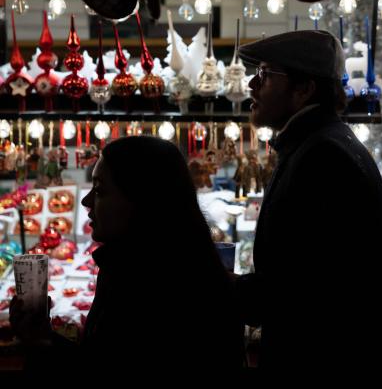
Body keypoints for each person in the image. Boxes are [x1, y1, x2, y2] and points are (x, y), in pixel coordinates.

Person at [234, 30, 382, 376]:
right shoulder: (320, 143)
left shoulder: (323, 156)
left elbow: (301, 290)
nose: (252, 85)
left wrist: (215, 290)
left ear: (304, 90)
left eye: (266, 75)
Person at [11, 136, 245, 378]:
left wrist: (44, 346)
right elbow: (100, 364)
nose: (86, 200)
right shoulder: (133, 266)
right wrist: (43, 339)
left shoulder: (155, 288)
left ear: (142, 200)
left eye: (100, 190)